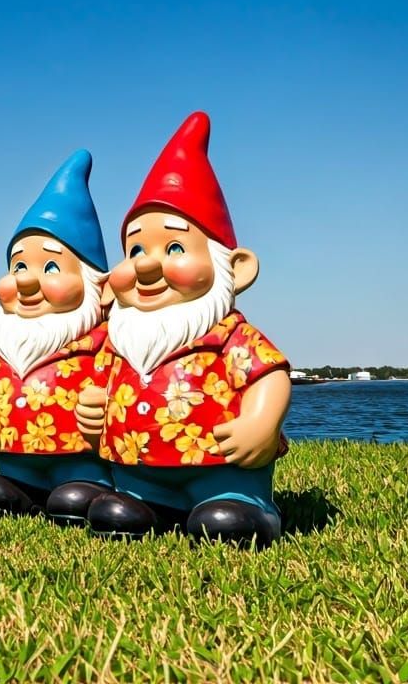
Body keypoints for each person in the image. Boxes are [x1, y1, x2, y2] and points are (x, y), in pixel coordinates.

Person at [78, 112, 291, 547]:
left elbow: (268, 374)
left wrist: (261, 422)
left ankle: (246, 507)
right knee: (115, 513)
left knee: (224, 520)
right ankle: (144, 502)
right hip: (136, 473)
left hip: (220, 471)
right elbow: (98, 382)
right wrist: (94, 404)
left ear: (236, 268)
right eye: (135, 248)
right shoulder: (119, 338)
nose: (146, 263)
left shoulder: (226, 334)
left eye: (174, 247)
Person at [0, 150, 113, 525]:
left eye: (52, 266)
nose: (25, 280)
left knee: (73, 498)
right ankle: (18, 488)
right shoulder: (0, 342)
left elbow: (123, 380)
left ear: (97, 285)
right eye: (19, 265)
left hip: (80, 460)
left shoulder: (103, 341)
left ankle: (87, 485)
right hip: (12, 459)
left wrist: (103, 403)